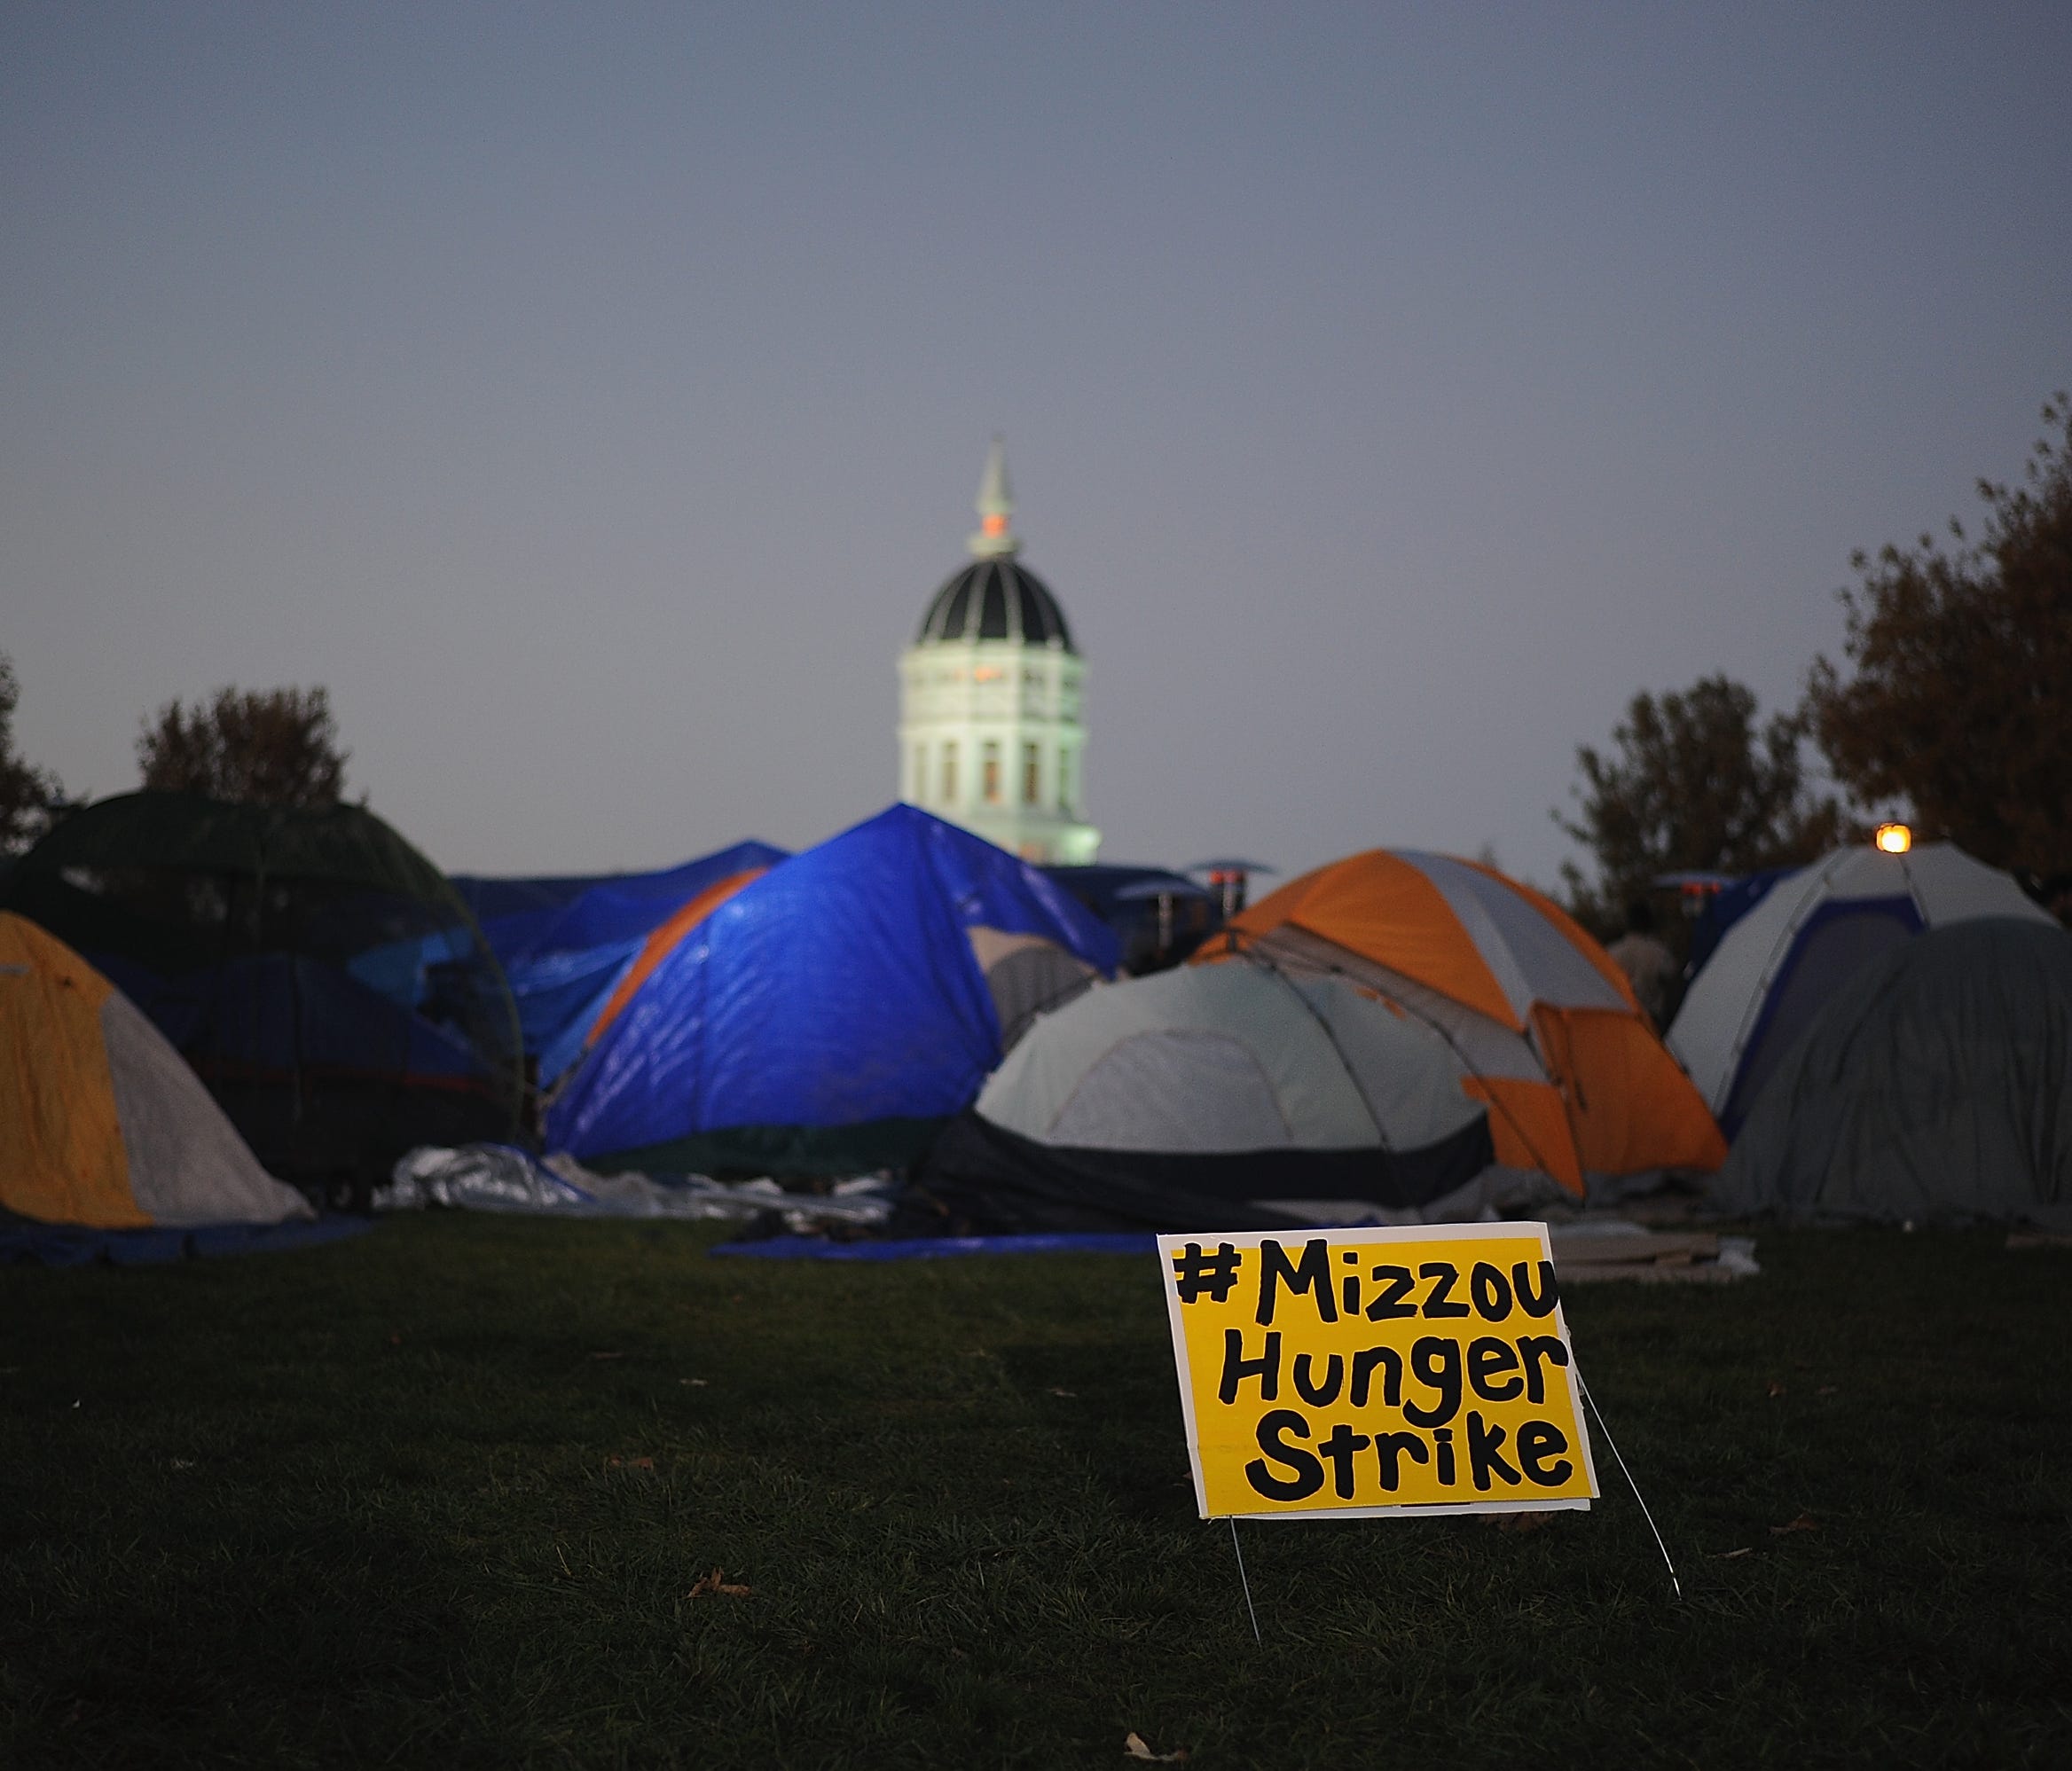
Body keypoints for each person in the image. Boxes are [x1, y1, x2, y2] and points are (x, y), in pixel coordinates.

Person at [1607, 898, 1677, 1030]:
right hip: (1652, 1021)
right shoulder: (1660, 952)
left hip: (1621, 1019)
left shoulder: (1612, 953)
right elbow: (1670, 980)